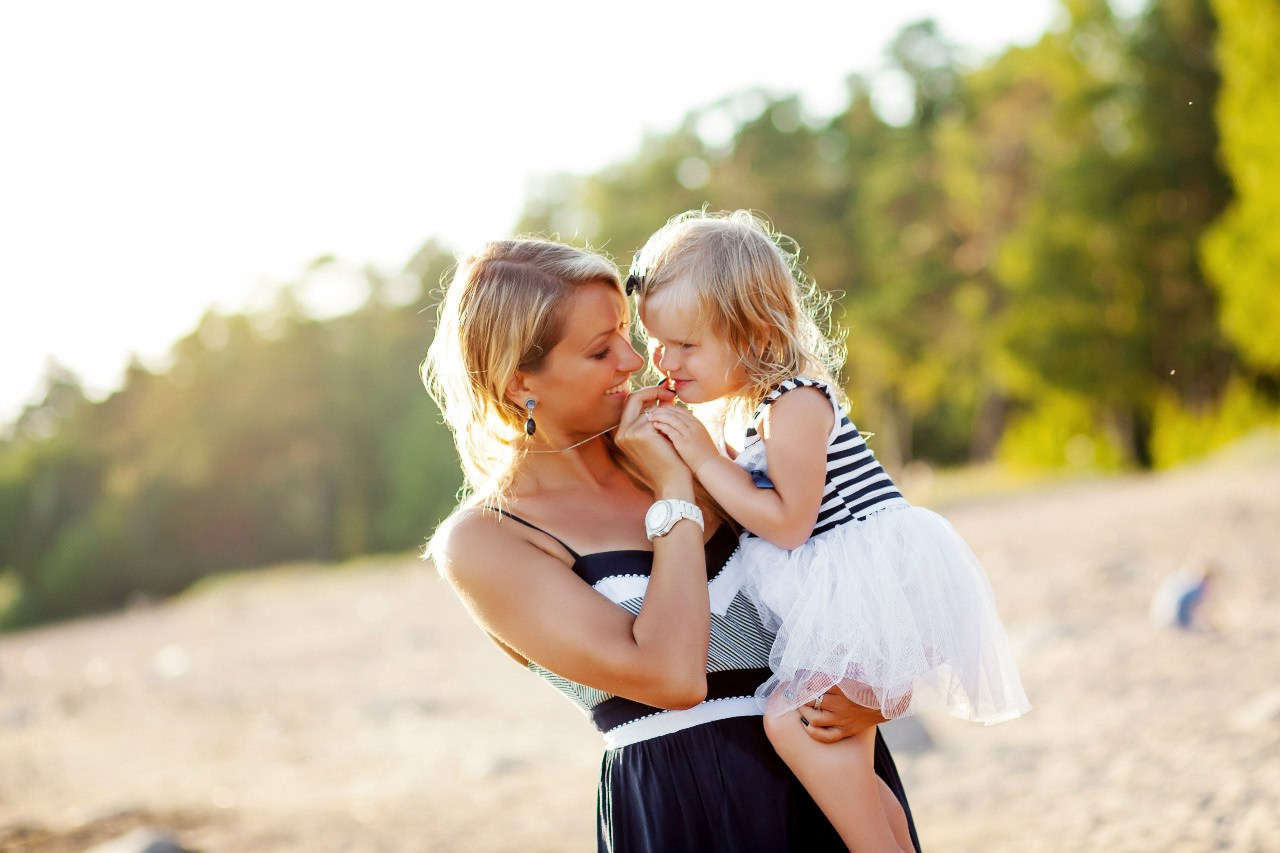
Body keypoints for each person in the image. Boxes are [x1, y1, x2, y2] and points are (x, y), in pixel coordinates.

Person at [422, 238, 922, 852]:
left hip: (831, 788)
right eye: (601, 350)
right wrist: (672, 493)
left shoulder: (706, 448)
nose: (635, 362)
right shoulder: (487, 540)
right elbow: (672, 676)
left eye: (627, 334)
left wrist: (874, 692)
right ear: (520, 382)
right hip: (692, 809)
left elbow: (847, 563)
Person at [631, 210, 1030, 852]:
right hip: (837, 589)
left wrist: (706, 460)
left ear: (756, 333)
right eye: (655, 342)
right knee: (834, 742)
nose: (664, 361)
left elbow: (790, 522)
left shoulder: (795, 401)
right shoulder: (751, 408)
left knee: (796, 721)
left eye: (686, 345)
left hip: (866, 583)